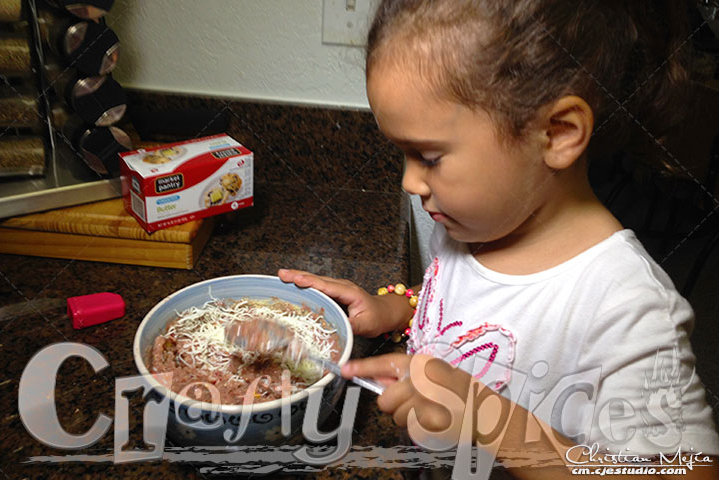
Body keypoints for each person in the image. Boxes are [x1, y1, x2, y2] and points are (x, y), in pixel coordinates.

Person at [280, 0, 719, 477]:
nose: (409, 182)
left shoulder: (627, 307)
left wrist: (490, 419)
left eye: (427, 156)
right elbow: (469, 304)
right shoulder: (472, 221)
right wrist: (394, 309)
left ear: (557, 133)